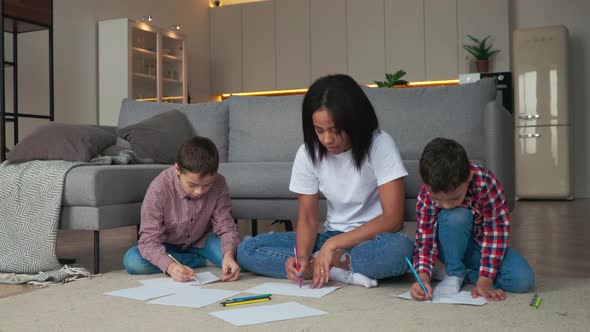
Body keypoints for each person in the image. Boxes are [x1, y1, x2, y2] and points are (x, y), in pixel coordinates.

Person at [237, 74, 414, 288]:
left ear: (355, 122)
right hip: (328, 239)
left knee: (400, 251)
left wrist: (333, 246)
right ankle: (330, 268)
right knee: (248, 250)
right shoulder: (307, 153)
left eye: (335, 130)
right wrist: (302, 259)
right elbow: (308, 218)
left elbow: (393, 219)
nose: (327, 139)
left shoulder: (380, 143)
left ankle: (334, 263)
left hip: (374, 239)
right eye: (319, 130)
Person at [409, 137, 535, 301]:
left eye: (454, 198)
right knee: (455, 216)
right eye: (437, 200)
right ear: (426, 185)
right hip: (448, 245)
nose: (445, 205)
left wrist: (485, 279)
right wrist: (423, 277)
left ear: (469, 177)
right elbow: (425, 241)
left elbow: (496, 232)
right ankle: (454, 272)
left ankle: (468, 274)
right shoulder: (426, 194)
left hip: (480, 247)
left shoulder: (487, 183)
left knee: (523, 280)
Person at [123, 136, 240, 282]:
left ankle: (199, 259)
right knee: (133, 261)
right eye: (192, 185)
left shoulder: (219, 183)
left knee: (237, 257)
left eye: (207, 185)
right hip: (167, 245)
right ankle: (201, 261)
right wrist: (171, 267)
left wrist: (228, 255)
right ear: (178, 169)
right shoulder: (159, 189)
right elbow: (148, 241)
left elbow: (226, 226)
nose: (199, 191)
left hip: (202, 241)